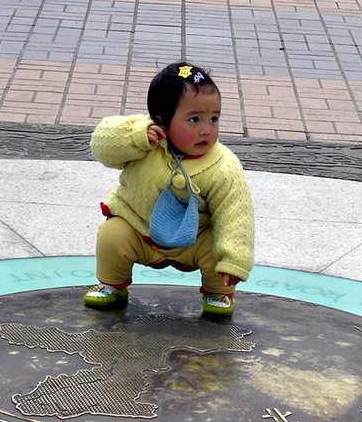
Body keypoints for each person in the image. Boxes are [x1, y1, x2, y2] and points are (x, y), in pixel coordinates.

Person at [84, 61, 254, 317]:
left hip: (194, 240)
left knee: (216, 250)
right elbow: (102, 145)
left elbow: (236, 214)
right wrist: (134, 137)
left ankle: (218, 291)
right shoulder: (144, 139)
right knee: (112, 235)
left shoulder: (223, 165)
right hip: (139, 230)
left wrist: (234, 260)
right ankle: (112, 284)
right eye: (194, 119)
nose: (206, 129)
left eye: (214, 118)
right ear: (162, 119)